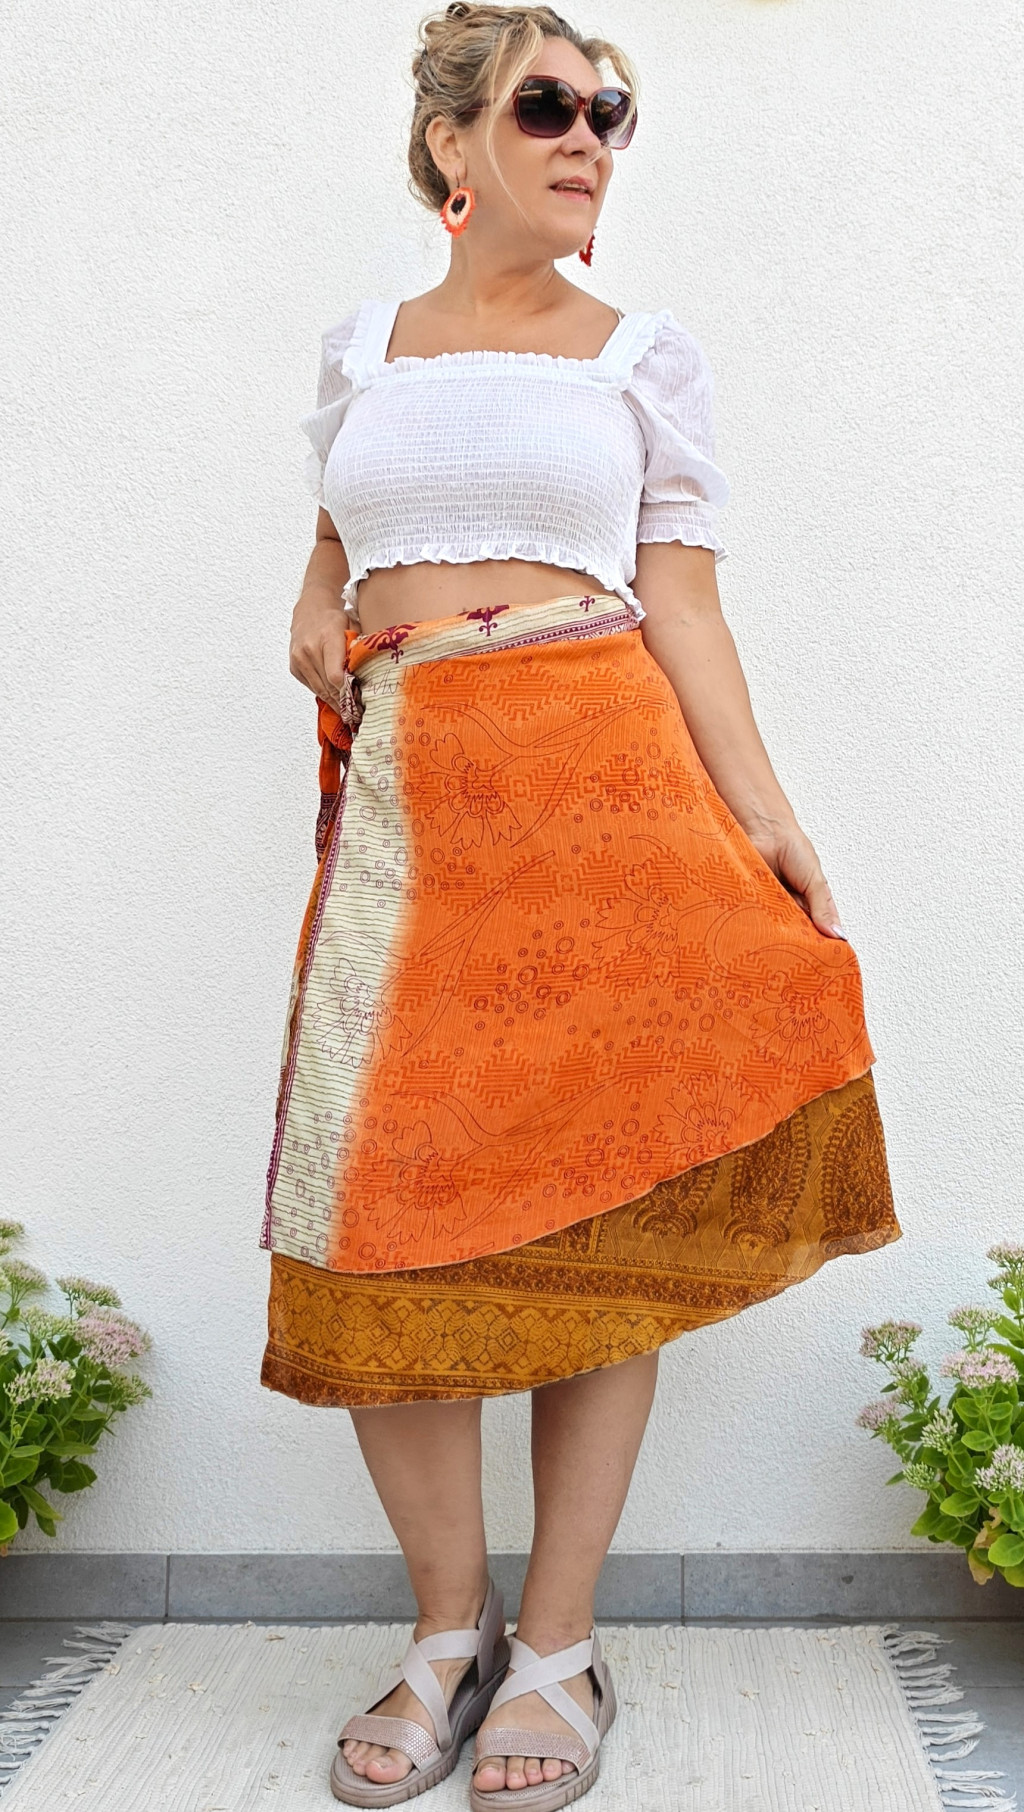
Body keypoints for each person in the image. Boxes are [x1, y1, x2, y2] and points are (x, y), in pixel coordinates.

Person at [259, 5, 902, 1805]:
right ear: (450, 144)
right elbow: (346, 526)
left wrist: (769, 820)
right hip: (414, 820)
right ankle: (441, 1634)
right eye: (548, 105)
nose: (589, 138)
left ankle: (555, 1647)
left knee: (591, 1216)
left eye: (612, 113)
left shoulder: (639, 356)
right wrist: (314, 589)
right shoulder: (363, 350)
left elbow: (682, 602)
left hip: (608, 814)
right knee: (384, 1215)